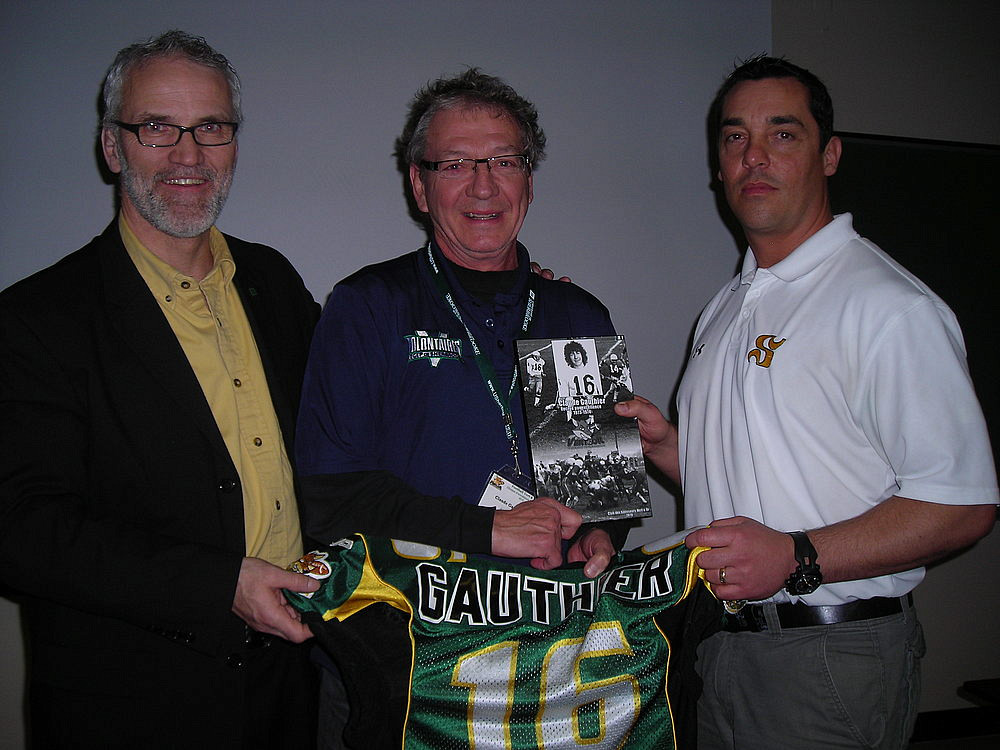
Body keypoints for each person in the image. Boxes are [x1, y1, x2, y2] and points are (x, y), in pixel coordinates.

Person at [615, 55, 998, 749]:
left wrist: (795, 556)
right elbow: (775, 472)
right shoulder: (728, 305)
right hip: (719, 645)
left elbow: (963, 504)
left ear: (828, 154)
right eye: (734, 137)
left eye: (782, 134)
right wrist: (673, 449)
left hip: (828, 659)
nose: (753, 156)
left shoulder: (886, 305)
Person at [0, 31, 321, 748]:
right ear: (113, 147)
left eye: (210, 127)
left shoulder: (274, 281)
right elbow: (21, 528)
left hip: (291, 685)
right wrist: (220, 585)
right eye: (157, 127)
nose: (188, 155)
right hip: (130, 703)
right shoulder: (36, 318)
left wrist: (503, 289)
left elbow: (357, 424)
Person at [295, 69, 630, 746]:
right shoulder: (367, 307)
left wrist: (600, 536)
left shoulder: (574, 314)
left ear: (529, 181)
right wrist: (489, 531)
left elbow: (600, 496)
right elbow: (329, 499)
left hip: (548, 655)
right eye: (455, 164)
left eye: (504, 161)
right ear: (419, 185)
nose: (484, 185)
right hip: (404, 661)